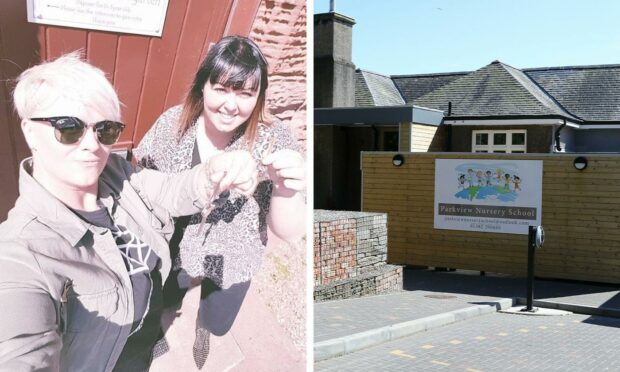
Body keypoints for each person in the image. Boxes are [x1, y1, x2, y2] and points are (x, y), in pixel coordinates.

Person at [0, 52, 259, 371]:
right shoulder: (20, 255)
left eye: (105, 130)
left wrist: (215, 172)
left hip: (141, 344)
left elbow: (168, 191)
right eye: (69, 128)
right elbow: (21, 349)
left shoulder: (113, 172)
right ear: (29, 131)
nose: (92, 146)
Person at [134, 35, 305, 367]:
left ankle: (203, 331)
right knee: (165, 299)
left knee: (217, 321)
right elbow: (142, 180)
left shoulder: (274, 139)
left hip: (236, 251)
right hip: (175, 245)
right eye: (222, 89)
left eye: (245, 93)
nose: (231, 105)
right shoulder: (173, 124)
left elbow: (287, 230)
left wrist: (286, 190)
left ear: (259, 97)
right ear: (203, 86)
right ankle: (158, 332)